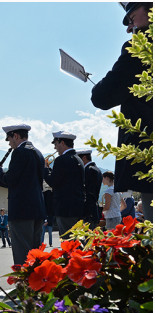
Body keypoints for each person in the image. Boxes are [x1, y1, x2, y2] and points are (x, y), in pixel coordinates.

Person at [91, 2, 153, 222]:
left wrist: (98, 86)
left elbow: (101, 97)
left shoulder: (141, 47)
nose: (129, 28)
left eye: (132, 17)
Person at [0, 124, 45, 266]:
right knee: (36, 253)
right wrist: (0, 181)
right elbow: (23, 182)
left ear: (15, 136)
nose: (10, 143)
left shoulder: (20, 152)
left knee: (23, 253)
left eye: (9, 139)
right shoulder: (38, 153)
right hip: (37, 209)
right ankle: (36, 285)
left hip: (22, 210)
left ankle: (25, 286)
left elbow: (11, 179)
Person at [42, 131, 85, 238]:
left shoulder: (61, 160)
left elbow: (53, 182)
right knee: (78, 240)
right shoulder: (77, 158)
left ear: (62, 143)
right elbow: (63, 178)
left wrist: (46, 169)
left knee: (68, 240)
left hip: (65, 209)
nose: (55, 148)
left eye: (55, 144)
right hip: (77, 207)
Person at [76, 149, 103, 228]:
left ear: (84, 158)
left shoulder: (89, 170)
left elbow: (88, 192)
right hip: (92, 209)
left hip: (88, 210)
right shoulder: (95, 169)